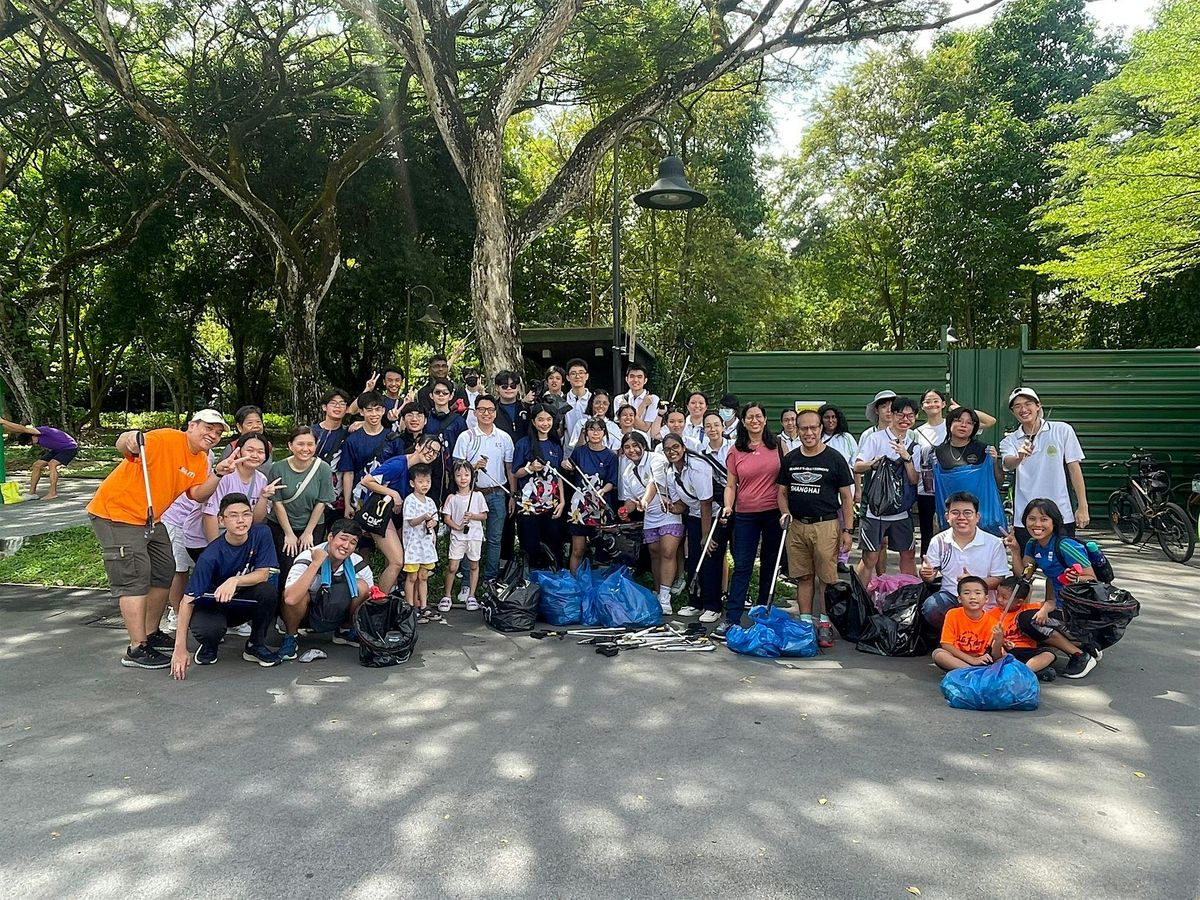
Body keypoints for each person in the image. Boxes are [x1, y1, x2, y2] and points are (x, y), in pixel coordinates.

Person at [87, 409, 237, 669]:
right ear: (192, 426)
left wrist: (219, 473)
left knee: (164, 570)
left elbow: (198, 494)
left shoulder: (201, 460)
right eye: (208, 428)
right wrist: (130, 437)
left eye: (218, 432)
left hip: (150, 519)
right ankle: (136, 648)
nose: (212, 434)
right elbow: (126, 444)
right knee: (134, 577)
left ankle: (150, 632)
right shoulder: (166, 438)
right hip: (117, 514)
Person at [169, 493, 281, 677]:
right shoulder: (210, 555)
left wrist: (234, 580)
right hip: (213, 606)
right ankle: (209, 644)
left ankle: (255, 644)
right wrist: (180, 649)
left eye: (246, 514)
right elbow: (187, 601)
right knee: (209, 629)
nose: (241, 520)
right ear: (221, 520)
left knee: (267, 591)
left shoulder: (261, 533)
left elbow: (263, 574)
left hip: (242, 602)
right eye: (233, 515)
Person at [776, 409, 855, 648]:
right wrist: (785, 513)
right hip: (797, 526)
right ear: (796, 430)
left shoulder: (834, 458)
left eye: (813, 428)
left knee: (827, 578)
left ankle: (824, 623)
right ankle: (804, 623)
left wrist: (847, 530)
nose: (809, 433)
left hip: (826, 524)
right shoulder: (790, 459)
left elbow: (847, 497)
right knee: (803, 576)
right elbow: (781, 492)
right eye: (804, 428)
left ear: (821, 429)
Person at [1002, 498, 1102, 678]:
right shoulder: (1033, 545)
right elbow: (1024, 576)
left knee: (1027, 621)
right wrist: (1015, 550)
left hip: (1079, 610)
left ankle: (1080, 655)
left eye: (1043, 519)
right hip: (1057, 604)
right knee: (1028, 622)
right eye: (1031, 519)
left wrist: (1076, 577)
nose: (1037, 524)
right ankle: (1086, 644)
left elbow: (1092, 578)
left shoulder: (1066, 545)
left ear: (1054, 522)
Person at [717, 403, 784, 640]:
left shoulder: (778, 445)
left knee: (769, 564)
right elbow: (731, 484)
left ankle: (763, 613)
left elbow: (785, 480)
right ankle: (732, 618)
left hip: (774, 512)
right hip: (746, 514)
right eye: (749, 417)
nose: (754, 420)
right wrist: (728, 506)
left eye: (759, 416)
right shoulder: (736, 450)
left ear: (765, 420)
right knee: (743, 565)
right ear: (743, 422)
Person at [912, 390, 998, 556]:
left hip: (968, 495)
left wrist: (962, 410)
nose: (963, 424)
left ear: (944, 404)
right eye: (928, 401)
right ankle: (932, 571)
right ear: (922, 406)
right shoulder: (917, 433)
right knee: (934, 534)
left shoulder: (961, 425)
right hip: (931, 490)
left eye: (936, 400)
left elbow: (990, 421)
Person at [1000, 388, 1089, 548]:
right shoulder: (1010, 440)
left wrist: (1083, 507)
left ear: (1038, 406)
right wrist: (1020, 456)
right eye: (1017, 406)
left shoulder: (1062, 430)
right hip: (1025, 516)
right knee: (1025, 565)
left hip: (1061, 513)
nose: (1023, 409)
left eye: (1028, 404)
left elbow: (1074, 469)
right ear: (1013, 412)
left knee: (1064, 565)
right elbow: (1007, 463)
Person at [356, 435, 444, 593]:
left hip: (397, 517)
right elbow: (367, 481)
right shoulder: (398, 464)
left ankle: (393, 595)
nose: (431, 453)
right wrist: (394, 494)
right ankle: (378, 603)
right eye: (428, 448)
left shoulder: (419, 471)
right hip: (380, 514)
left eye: (435, 452)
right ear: (417, 445)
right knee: (397, 561)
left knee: (394, 559)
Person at [280, 518, 375, 659]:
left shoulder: (358, 563)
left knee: (362, 587)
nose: (346, 545)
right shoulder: (308, 557)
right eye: (343, 539)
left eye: (352, 543)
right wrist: (316, 563)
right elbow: (290, 598)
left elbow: (371, 600)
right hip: (306, 615)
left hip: (336, 611)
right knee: (297, 594)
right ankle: (291, 636)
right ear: (330, 537)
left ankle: (345, 631)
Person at [918, 491, 1011, 629]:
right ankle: (951, 636)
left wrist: (973, 582)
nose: (962, 517)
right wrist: (925, 574)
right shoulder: (938, 541)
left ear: (977, 517)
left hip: (983, 601)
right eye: (955, 512)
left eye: (967, 513)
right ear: (947, 517)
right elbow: (930, 576)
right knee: (931, 607)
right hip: (952, 597)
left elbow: (999, 578)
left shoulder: (994, 543)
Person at [854, 395, 922, 582]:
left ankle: (909, 599)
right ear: (892, 415)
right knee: (870, 557)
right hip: (875, 510)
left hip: (902, 511)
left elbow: (914, 479)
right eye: (901, 414)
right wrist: (873, 464)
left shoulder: (914, 445)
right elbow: (857, 466)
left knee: (908, 555)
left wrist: (906, 456)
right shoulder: (875, 439)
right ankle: (861, 601)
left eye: (910, 416)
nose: (905, 420)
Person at [931, 576, 1055, 678]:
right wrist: (972, 660)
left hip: (984, 660)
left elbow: (996, 654)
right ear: (959, 598)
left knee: (1006, 657)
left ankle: (979, 673)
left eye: (978, 593)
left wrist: (999, 640)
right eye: (967, 593)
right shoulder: (953, 614)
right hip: (961, 658)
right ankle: (973, 672)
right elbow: (946, 644)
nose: (972, 597)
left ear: (986, 599)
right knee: (939, 654)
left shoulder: (992, 621)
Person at [453, 396, 516, 581]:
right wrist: (473, 467)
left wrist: (512, 495)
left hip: (497, 492)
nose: (486, 413)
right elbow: (457, 468)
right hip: (472, 493)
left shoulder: (504, 437)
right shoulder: (466, 437)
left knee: (495, 538)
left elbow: (510, 468)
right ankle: (467, 579)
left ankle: (490, 577)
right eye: (481, 409)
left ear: (495, 413)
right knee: (469, 537)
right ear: (475, 412)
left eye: (490, 410)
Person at [267, 427, 335, 589]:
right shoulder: (278, 468)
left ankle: (307, 608)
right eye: (300, 444)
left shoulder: (323, 468)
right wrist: (289, 534)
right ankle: (284, 607)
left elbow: (321, 502)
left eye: (310, 444)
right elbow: (277, 502)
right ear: (290, 446)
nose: (306, 449)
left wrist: (308, 532)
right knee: (286, 567)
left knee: (308, 566)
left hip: (312, 525)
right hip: (281, 525)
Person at [659, 435, 714, 619]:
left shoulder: (697, 467)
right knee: (693, 558)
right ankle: (695, 602)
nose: (671, 451)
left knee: (709, 554)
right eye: (667, 449)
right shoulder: (670, 472)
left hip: (714, 513)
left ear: (683, 448)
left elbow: (706, 502)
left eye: (675, 447)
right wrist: (671, 507)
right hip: (693, 514)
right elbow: (682, 504)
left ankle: (712, 605)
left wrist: (706, 535)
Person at [631, 435, 686, 615]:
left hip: (670, 513)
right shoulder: (626, 471)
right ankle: (657, 593)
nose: (632, 450)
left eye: (636, 445)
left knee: (668, 552)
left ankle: (665, 597)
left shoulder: (657, 459)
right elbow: (629, 500)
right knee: (654, 554)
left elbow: (654, 483)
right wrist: (625, 509)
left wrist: (645, 500)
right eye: (627, 447)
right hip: (650, 517)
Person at [562, 416, 619, 573]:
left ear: (604, 433)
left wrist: (603, 490)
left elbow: (612, 481)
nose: (595, 433)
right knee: (578, 550)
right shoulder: (579, 452)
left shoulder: (611, 456)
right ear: (586, 432)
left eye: (599, 430)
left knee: (602, 552)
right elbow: (568, 467)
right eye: (591, 429)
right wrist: (564, 464)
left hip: (601, 506)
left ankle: (599, 586)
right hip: (580, 507)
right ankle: (574, 584)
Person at [513, 404, 565, 569]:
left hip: (552, 505)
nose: (545, 423)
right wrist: (529, 468)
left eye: (549, 419)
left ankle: (554, 583)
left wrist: (562, 501)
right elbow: (516, 473)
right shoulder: (523, 444)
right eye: (541, 419)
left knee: (554, 546)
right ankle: (531, 585)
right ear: (533, 422)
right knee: (530, 547)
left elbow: (559, 476)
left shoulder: (556, 445)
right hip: (528, 507)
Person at [697, 409, 734, 619]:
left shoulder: (735, 448)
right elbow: (705, 495)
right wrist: (705, 533)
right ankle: (712, 605)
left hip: (741, 506)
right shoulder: (701, 454)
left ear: (723, 426)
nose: (713, 429)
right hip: (716, 508)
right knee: (712, 552)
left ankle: (737, 600)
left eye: (716, 425)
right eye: (708, 425)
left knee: (740, 555)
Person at [337, 391, 401, 513]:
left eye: (378, 409)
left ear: (383, 410)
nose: (374, 414)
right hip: (359, 496)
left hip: (387, 497)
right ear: (362, 412)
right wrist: (347, 504)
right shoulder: (352, 440)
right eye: (369, 410)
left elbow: (399, 470)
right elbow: (348, 473)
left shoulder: (393, 438)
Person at [440, 461, 487, 613]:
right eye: (459, 475)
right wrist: (458, 526)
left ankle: (472, 596)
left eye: (466, 475)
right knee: (453, 566)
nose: (463, 478)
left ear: (472, 477)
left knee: (474, 565)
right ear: (453, 477)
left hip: (474, 536)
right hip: (458, 536)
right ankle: (447, 595)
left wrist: (473, 516)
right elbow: (446, 518)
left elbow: (484, 515)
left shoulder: (478, 495)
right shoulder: (452, 498)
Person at [818, 404, 859, 574]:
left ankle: (842, 559)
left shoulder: (847, 438)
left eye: (833, 417)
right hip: (824, 491)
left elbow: (855, 465)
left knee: (845, 524)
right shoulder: (816, 437)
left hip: (845, 490)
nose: (830, 420)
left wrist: (858, 490)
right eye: (827, 417)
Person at [0, 416, 79, 499]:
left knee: (52, 464)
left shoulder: (41, 430)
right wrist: (3, 424)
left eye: (30, 442)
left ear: (33, 435)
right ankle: (32, 493)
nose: (31, 444)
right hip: (58, 449)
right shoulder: (33, 435)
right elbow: (16, 430)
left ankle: (53, 493)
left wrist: (3, 421)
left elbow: (23, 429)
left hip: (70, 447)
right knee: (36, 465)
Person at [402, 463, 441, 623]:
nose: (425, 485)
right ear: (412, 483)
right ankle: (410, 607)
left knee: (423, 576)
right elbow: (411, 522)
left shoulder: (430, 501)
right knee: (412, 577)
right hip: (413, 546)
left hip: (426, 546)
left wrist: (432, 522)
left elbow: (435, 519)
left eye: (427, 481)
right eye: (421, 481)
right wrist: (424, 518)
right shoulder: (410, 500)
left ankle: (423, 606)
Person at [424, 377, 467, 507]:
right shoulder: (425, 418)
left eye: (445, 392)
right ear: (431, 395)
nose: (441, 395)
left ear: (451, 396)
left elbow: (464, 448)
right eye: (437, 392)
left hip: (451, 473)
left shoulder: (459, 421)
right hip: (428, 471)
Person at [312, 388, 352, 524]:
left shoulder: (349, 433)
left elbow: (349, 470)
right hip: (312, 492)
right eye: (333, 403)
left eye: (342, 403)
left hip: (338, 496)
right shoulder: (312, 432)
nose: (338, 407)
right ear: (324, 407)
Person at [218, 406, 274, 477]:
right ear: (239, 427)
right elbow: (219, 476)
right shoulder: (232, 448)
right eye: (250, 423)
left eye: (259, 422)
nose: (255, 426)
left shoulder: (267, 446)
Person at [613, 363, 661, 434]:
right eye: (632, 376)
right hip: (623, 441)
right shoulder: (619, 399)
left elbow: (645, 428)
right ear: (626, 379)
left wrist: (627, 413)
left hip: (644, 442)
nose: (635, 380)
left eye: (639, 377)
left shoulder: (653, 399)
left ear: (645, 380)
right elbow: (622, 425)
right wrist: (643, 405)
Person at [493, 370, 531, 443]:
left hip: (524, 450)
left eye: (513, 386)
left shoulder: (527, 408)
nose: (509, 389)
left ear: (518, 387)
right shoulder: (492, 410)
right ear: (497, 388)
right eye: (504, 386)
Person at [563, 358, 593, 439]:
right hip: (568, 449)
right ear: (568, 377)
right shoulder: (562, 400)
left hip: (591, 447)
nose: (577, 376)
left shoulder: (594, 400)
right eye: (573, 373)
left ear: (587, 376)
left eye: (581, 373)